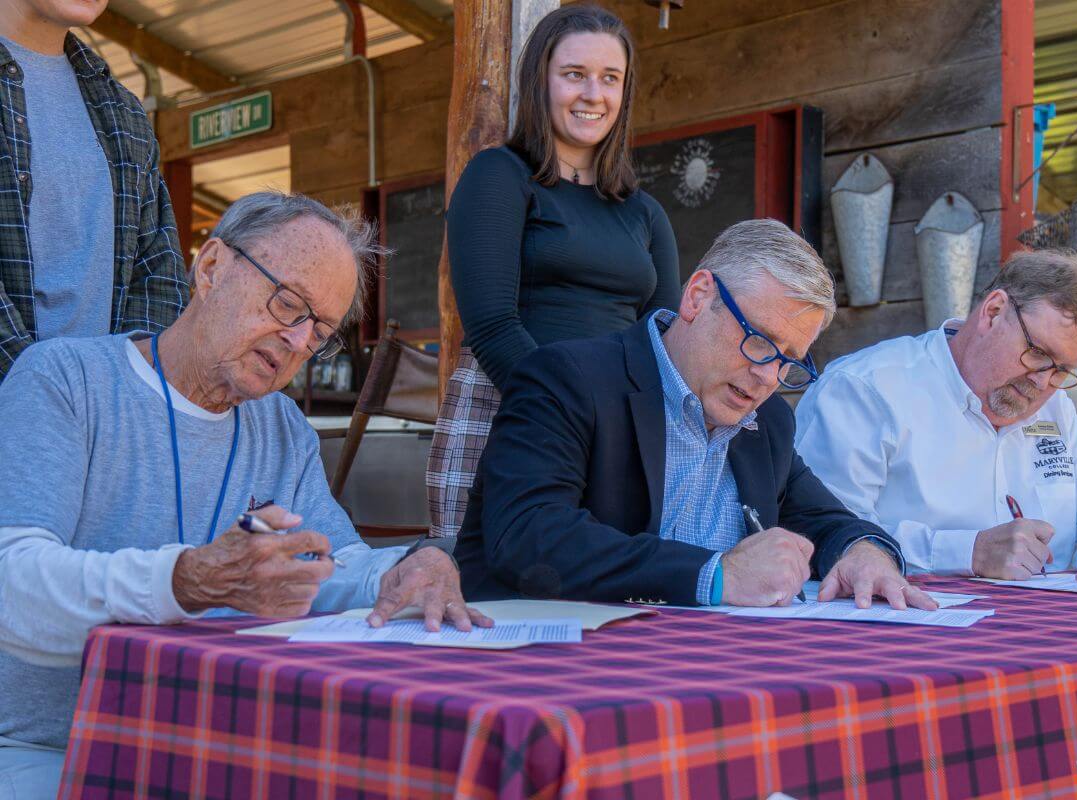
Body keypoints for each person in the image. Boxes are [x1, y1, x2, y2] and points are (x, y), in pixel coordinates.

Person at [0, 192, 490, 796]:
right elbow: (9, 584)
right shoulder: (66, 381)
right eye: (288, 304)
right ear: (211, 269)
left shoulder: (280, 427)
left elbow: (333, 560)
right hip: (51, 745)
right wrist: (186, 580)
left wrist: (408, 566)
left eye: (320, 332)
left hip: (219, 742)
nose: (296, 341)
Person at [455, 219, 936, 611]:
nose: (769, 377)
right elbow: (527, 536)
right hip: (550, 662)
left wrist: (865, 552)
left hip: (708, 669)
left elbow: (828, 520)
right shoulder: (567, 378)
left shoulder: (767, 424)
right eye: (761, 342)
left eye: (789, 360)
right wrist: (715, 574)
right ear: (698, 296)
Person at [794, 249, 1077, 590]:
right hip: (907, 635)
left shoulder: (1056, 409)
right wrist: (967, 551)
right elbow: (823, 533)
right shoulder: (867, 390)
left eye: (1062, 370)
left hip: (1041, 638)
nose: (1041, 382)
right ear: (993, 311)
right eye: (1037, 352)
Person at [427, 4, 680, 537]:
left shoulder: (645, 213)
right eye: (574, 75)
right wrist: (575, 418)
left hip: (619, 437)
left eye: (610, 78)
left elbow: (667, 340)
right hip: (511, 413)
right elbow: (493, 328)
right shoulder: (499, 175)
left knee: (612, 599)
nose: (593, 94)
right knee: (488, 606)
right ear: (539, 80)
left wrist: (621, 428)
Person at [0, 0, 188, 382]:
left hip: (103, 419)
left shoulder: (124, 110)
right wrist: (40, 393)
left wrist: (123, 389)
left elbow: (159, 271)